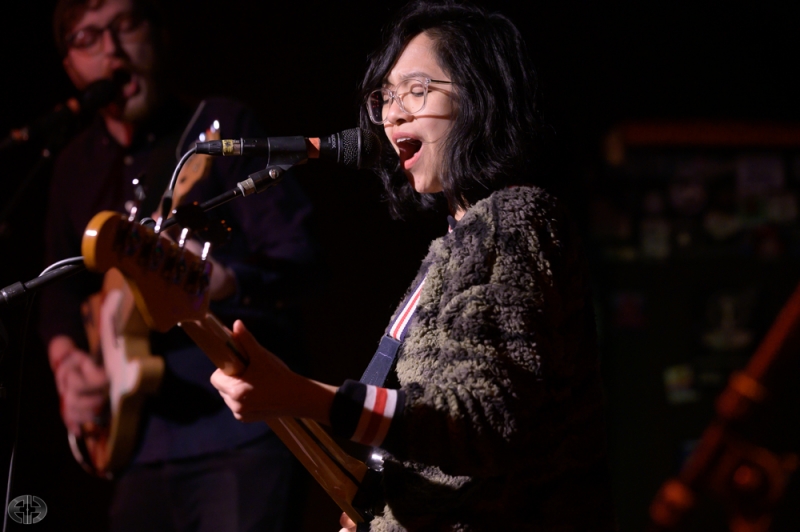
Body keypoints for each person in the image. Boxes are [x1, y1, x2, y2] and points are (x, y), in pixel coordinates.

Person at [211, 2, 616, 531]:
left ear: (480, 99)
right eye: (385, 97)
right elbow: (438, 444)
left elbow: (481, 420)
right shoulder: (451, 247)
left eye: (417, 90)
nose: (392, 115)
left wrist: (300, 394)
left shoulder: (513, 220)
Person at [40, 0, 316, 530]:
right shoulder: (73, 166)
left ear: (159, 33)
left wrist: (223, 280)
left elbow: (301, 256)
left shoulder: (221, 129)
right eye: (88, 38)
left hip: (240, 434)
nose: (112, 50)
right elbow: (58, 289)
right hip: (136, 446)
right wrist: (67, 364)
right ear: (70, 67)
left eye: (125, 24)